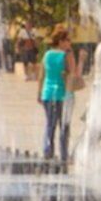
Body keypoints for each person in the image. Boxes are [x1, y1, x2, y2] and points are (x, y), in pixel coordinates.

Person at [37, 34, 73, 168]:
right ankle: (63, 154)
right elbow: (70, 74)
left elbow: (41, 75)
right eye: (67, 40)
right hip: (60, 94)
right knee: (63, 125)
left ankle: (48, 151)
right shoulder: (64, 56)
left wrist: (39, 93)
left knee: (50, 124)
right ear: (60, 41)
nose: (69, 43)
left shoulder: (46, 55)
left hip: (47, 94)